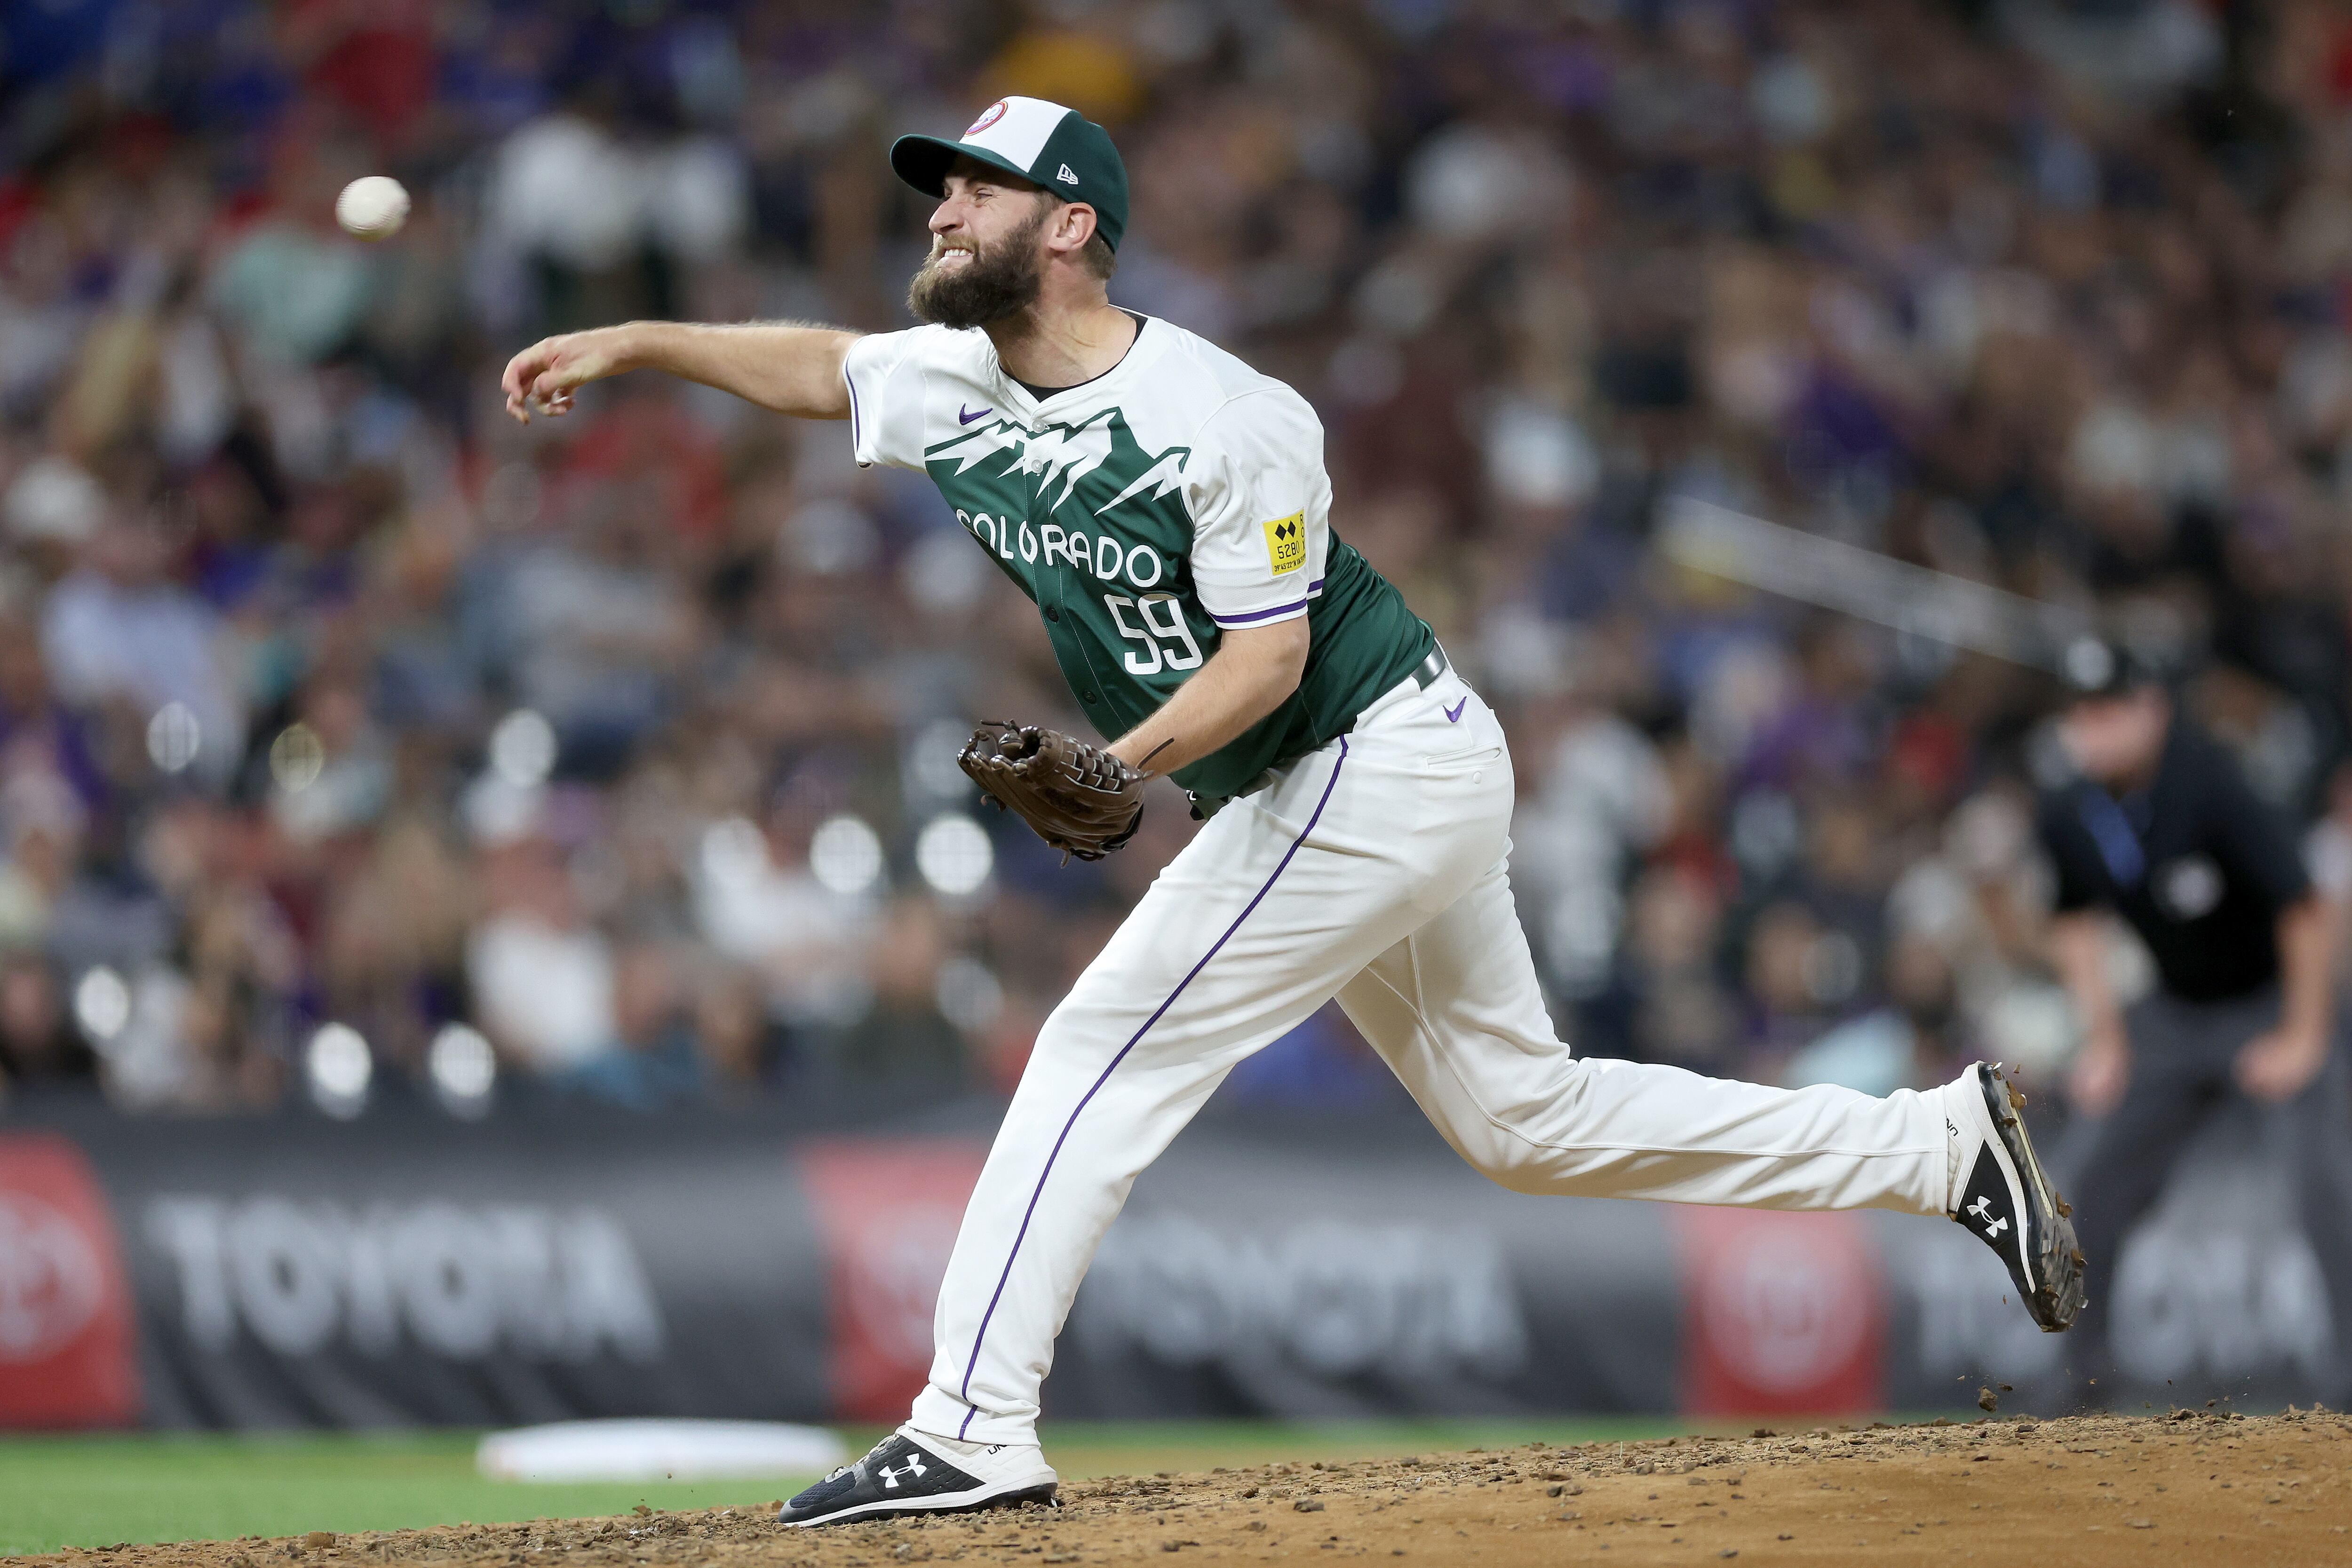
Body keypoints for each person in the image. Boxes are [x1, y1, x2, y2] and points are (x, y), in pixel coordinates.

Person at [500, 96, 2083, 1527]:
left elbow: (1263, 663)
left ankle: (974, 1424)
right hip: (1347, 780)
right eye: (942, 191)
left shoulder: (1227, 412)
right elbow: (818, 366)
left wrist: (1120, 772)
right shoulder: (950, 380)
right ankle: (1942, 1147)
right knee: (1526, 1122)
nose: (938, 214)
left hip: (1370, 757)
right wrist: (635, 340)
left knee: (1099, 1043)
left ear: (1071, 228)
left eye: (974, 191)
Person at [2038, 637, 2352, 1404]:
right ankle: (2082, 1379)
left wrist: (2305, 1035)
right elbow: (2074, 921)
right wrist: (2106, 1040)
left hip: (2269, 1000)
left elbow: (2305, 908)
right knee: (2091, 1184)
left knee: (2328, 1184)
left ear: (2152, 708)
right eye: (2082, 712)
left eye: (2111, 709)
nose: (2095, 728)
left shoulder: (2209, 779)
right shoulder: (2071, 803)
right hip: (2175, 1015)